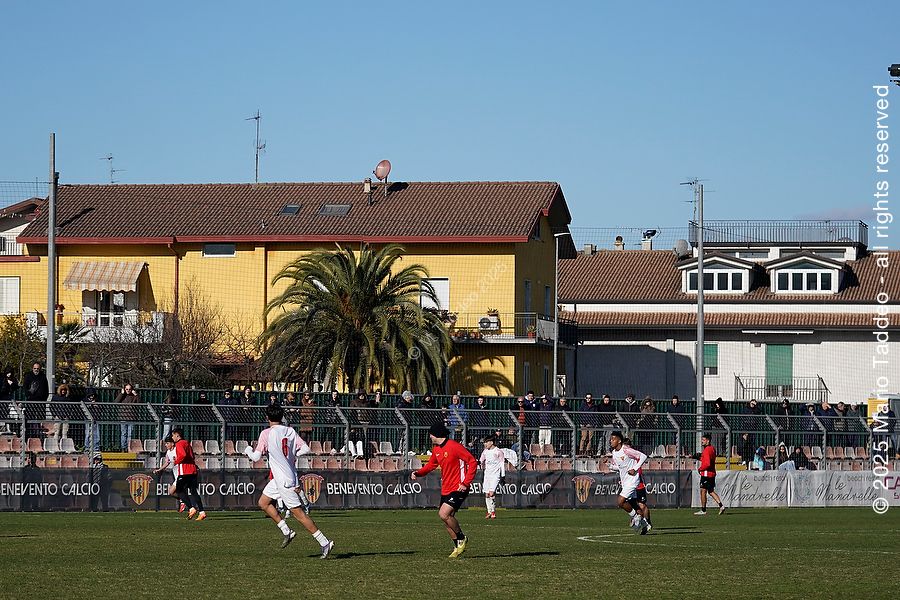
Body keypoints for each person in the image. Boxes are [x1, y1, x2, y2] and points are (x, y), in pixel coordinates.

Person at [244, 405, 331, 555]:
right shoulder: (290, 430)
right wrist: (291, 457)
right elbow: (305, 449)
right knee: (263, 502)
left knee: (299, 514)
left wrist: (247, 450)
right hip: (282, 477)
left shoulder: (266, 433)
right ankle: (286, 530)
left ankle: (325, 542)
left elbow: (256, 457)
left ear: (267, 418)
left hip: (284, 480)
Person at [410, 422, 478, 558]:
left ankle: (461, 537)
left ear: (436, 434)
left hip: (459, 487)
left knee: (443, 514)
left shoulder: (454, 446)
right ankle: (457, 546)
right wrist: (418, 473)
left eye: (431, 434)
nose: (429, 436)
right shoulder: (436, 449)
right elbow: (431, 465)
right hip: (446, 488)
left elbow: (472, 462)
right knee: (447, 518)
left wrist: (465, 483)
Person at [607, 430, 648, 532]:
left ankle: (636, 517)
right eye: (610, 439)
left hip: (633, 480)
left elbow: (643, 456)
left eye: (613, 439)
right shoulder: (614, 453)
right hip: (625, 482)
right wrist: (610, 466)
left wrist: (635, 468)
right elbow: (621, 467)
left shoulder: (626, 450)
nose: (611, 441)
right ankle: (644, 523)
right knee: (633, 503)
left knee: (620, 501)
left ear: (619, 441)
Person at [171, 427, 207, 521]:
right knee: (194, 491)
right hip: (193, 470)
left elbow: (183, 455)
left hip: (185, 471)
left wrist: (177, 461)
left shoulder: (179, 443)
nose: (172, 437)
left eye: (173, 435)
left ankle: (191, 508)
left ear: (177, 435)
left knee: (179, 490)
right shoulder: (187, 443)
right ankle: (202, 512)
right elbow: (192, 456)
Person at [623, 437, 652, 534]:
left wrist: (634, 471)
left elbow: (638, 468)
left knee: (642, 505)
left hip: (638, 483)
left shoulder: (634, 455)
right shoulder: (624, 456)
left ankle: (647, 522)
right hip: (630, 484)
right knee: (631, 503)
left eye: (626, 446)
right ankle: (639, 520)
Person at [692, 433, 725, 515]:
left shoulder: (706, 450)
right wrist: (699, 457)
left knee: (703, 491)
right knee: (710, 491)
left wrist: (700, 469)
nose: (702, 442)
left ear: (708, 441)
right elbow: (707, 460)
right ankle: (721, 506)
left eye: (703, 440)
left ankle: (703, 510)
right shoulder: (712, 449)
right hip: (712, 473)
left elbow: (707, 464)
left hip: (706, 474)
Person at [153, 435, 186, 513]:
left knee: (173, 491)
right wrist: (159, 469)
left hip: (182, 474)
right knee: (171, 492)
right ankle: (184, 501)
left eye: (167, 443)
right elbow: (167, 462)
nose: (166, 445)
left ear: (172, 443)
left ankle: (186, 503)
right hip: (176, 475)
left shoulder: (177, 450)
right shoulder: (168, 452)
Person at [479, 434, 506, 519]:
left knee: (491, 493)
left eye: (486, 442)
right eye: (484, 442)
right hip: (487, 475)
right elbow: (481, 460)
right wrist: (479, 464)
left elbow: (502, 464)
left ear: (491, 442)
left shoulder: (498, 452)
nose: (485, 444)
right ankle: (489, 512)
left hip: (495, 475)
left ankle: (493, 511)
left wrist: (503, 475)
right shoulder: (485, 451)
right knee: (487, 494)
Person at [115, 383, 139, 452]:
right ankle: (123, 448)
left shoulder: (134, 396)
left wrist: (136, 395)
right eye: (127, 389)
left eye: (129, 389)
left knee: (130, 434)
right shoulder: (122, 396)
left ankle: (129, 448)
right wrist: (121, 394)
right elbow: (116, 402)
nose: (128, 390)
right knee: (123, 433)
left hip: (131, 418)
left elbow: (140, 402)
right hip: (123, 418)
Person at [84, 388, 101, 453]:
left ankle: (96, 448)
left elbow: (100, 410)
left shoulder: (97, 400)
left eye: (93, 395)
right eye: (90, 395)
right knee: (88, 433)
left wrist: (96, 405)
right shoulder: (85, 400)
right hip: (88, 419)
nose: (92, 397)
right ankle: (87, 447)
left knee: (96, 433)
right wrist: (90, 404)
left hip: (95, 419)